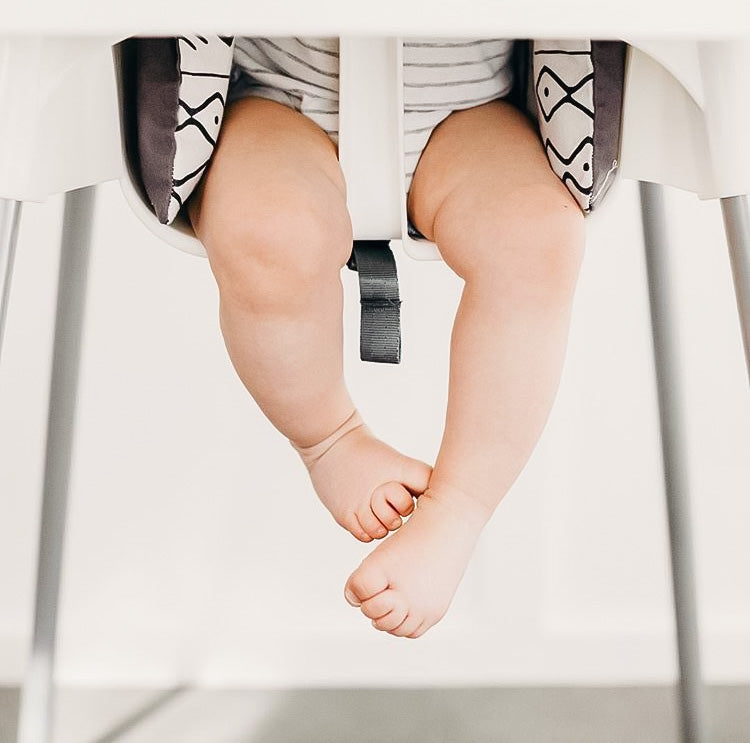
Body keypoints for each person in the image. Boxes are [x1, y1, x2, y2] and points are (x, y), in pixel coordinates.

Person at [186, 37, 584, 639]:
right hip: (275, 100)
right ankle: (329, 439)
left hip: (468, 108)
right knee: (268, 234)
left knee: (537, 237)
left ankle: (459, 506)